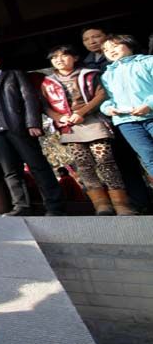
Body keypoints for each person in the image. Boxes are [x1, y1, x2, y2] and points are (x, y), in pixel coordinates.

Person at [40, 45, 134, 216]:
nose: (59, 60)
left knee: (106, 161)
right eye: (54, 58)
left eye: (63, 56)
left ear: (75, 58)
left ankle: (121, 204)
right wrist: (59, 118)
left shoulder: (89, 74)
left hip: (93, 121)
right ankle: (101, 204)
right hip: (69, 126)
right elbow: (45, 106)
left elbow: (101, 95)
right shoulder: (47, 82)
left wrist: (81, 113)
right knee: (83, 165)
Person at [0, 52, 66, 217]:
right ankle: (21, 206)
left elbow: (29, 98)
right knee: (10, 171)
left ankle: (54, 206)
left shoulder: (14, 76)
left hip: (19, 128)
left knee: (37, 165)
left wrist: (32, 123)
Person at [100, 34, 153, 179]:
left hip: (151, 115)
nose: (110, 51)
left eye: (115, 46)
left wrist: (149, 104)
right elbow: (107, 99)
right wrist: (107, 108)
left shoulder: (148, 62)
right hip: (126, 122)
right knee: (148, 157)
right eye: (106, 50)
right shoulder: (107, 75)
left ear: (129, 45)